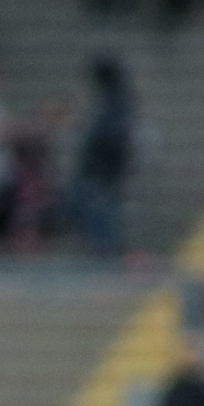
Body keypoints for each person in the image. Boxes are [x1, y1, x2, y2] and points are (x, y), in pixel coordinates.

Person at [69, 53, 134, 256]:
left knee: (98, 209)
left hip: (102, 168)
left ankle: (106, 250)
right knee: (98, 208)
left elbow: (109, 137)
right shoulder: (116, 101)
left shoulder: (113, 104)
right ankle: (103, 247)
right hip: (104, 167)